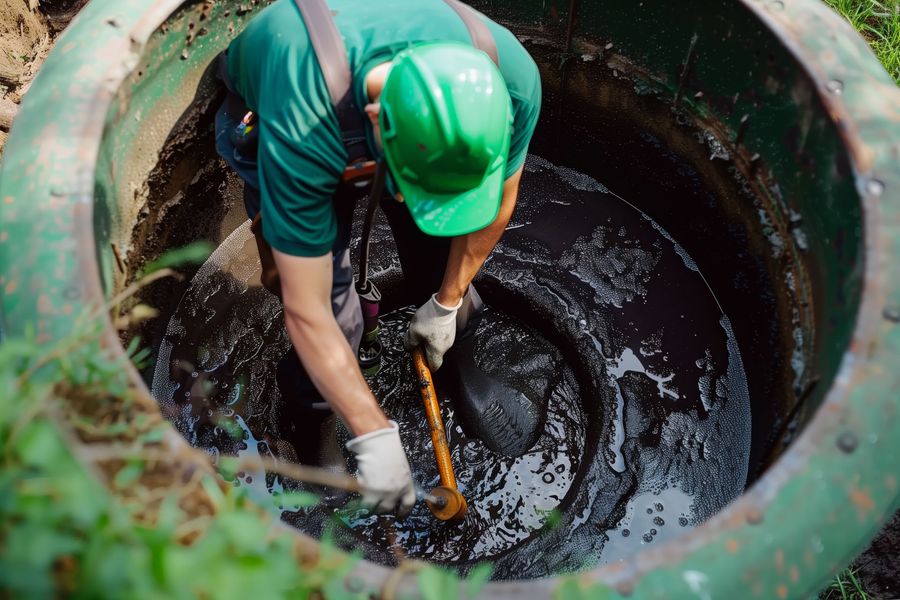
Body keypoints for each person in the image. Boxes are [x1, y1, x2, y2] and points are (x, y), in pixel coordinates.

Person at [214, 0, 541, 516]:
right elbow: (307, 308)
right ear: (375, 120)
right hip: (286, 119)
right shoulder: (302, 115)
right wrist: (374, 434)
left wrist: (448, 302)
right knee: (332, 312)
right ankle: (312, 421)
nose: (409, 205)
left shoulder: (510, 82)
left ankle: (456, 357)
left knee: (442, 259)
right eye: (410, 189)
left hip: (386, 135)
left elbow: (498, 203)